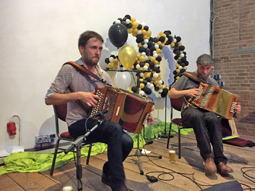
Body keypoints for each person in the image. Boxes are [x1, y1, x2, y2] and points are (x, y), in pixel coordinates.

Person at [45, 31, 133, 191]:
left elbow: (116, 101)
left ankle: (108, 173)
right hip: (77, 123)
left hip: (99, 122)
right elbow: (49, 98)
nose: (97, 52)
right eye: (93, 47)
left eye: (100, 48)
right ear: (81, 48)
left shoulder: (103, 75)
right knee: (115, 129)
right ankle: (119, 186)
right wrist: (78, 95)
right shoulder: (69, 69)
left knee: (128, 142)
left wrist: (143, 111)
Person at [168, 54, 241, 176]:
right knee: (197, 116)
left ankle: (220, 161)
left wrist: (234, 108)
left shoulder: (212, 82)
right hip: (189, 112)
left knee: (213, 118)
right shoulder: (187, 78)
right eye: (202, 68)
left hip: (206, 113)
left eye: (208, 68)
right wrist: (187, 91)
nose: (205, 71)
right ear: (197, 66)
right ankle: (208, 157)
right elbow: (171, 93)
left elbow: (221, 104)